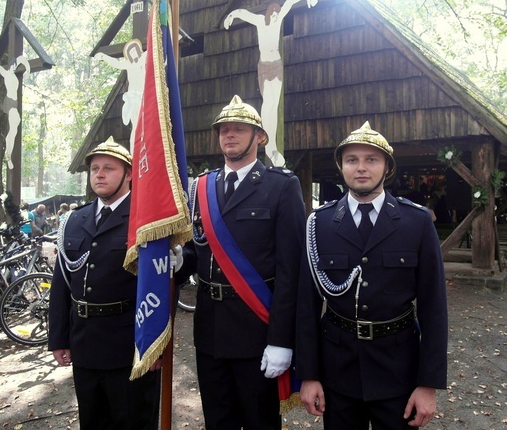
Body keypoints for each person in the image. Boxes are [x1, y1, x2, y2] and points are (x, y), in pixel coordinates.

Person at [295, 122, 448, 429]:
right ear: (341, 166)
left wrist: (428, 384)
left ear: (387, 167)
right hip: (337, 371)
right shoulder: (319, 224)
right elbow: (306, 306)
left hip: (398, 371)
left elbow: (434, 307)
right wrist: (308, 375)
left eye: (371, 159)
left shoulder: (415, 222)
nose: (361, 168)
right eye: (352, 160)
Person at [183, 95, 305, 429]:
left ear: (260, 137)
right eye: (223, 130)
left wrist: (282, 340)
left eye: (239, 129)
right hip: (209, 330)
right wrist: (176, 259)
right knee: (217, 421)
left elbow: (291, 271)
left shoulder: (281, 186)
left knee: (259, 422)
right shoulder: (201, 188)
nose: (229, 135)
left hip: (257, 328)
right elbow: (197, 253)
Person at [48, 137, 159, 429]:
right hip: (84, 343)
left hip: (128, 346)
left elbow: (159, 287)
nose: (99, 174)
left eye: (109, 168)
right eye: (95, 168)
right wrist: (59, 338)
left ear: (129, 173)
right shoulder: (74, 219)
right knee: (92, 420)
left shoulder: (145, 219)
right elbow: (62, 284)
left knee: (133, 420)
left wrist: (155, 346)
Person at [224, 0, 318, 167]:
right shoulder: (260, 22)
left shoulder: (278, 19)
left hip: (276, 65)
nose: (275, 16)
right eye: (273, 14)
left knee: (274, 105)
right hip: (265, 66)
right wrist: (232, 15)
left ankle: (272, 146)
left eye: (277, 14)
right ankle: (269, 144)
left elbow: (289, 3)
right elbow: (246, 14)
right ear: (268, 14)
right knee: (267, 103)